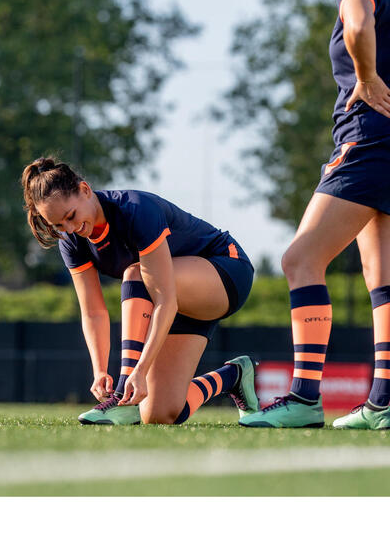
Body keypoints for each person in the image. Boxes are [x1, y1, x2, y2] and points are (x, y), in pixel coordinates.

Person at [240, 0, 390, 430]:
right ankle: (382, 404)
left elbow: (355, 23)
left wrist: (369, 79)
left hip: (371, 143)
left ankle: (304, 398)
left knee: (299, 261)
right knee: (386, 276)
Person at [21, 157, 259, 425]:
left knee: (136, 273)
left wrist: (138, 371)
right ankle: (234, 376)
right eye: (59, 226)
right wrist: (99, 370)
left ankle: (122, 393)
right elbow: (93, 311)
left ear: (85, 190)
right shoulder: (72, 241)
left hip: (226, 272)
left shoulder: (134, 209)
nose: (70, 228)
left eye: (71, 216)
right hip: (174, 300)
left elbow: (164, 297)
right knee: (159, 413)